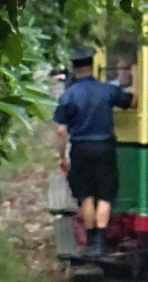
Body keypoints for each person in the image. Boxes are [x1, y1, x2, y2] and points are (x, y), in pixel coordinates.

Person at [54, 45, 133, 258]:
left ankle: (90, 242)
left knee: (86, 196)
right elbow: (131, 101)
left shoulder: (69, 95)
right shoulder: (106, 90)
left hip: (81, 148)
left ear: (74, 69)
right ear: (92, 66)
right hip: (105, 147)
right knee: (105, 195)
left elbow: (61, 131)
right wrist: (135, 75)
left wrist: (62, 156)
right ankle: (101, 242)